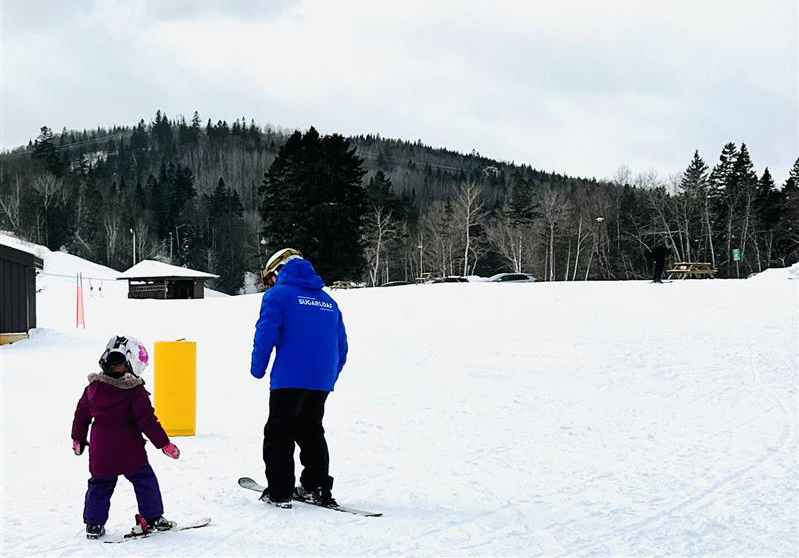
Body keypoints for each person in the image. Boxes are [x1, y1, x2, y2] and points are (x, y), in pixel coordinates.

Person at [250, 248, 348, 509]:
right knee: (311, 430)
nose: (270, 283)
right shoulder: (329, 301)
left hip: (289, 379)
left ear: (279, 271)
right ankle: (317, 486)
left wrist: (258, 368)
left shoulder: (278, 296)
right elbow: (342, 345)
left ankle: (280, 491)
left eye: (270, 277)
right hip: (321, 379)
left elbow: (265, 334)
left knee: (279, 433)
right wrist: (329, 375)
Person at [71, 336, 180, 539]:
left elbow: (81, 414)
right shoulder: (135, 391)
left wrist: (77, 438)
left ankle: (93, 525)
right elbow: (147, 421)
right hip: (130, 450)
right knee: (144, 479)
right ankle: (154, 517)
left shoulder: (93, 388)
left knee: (100, 484)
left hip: (100, 449)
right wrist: (164, 444)